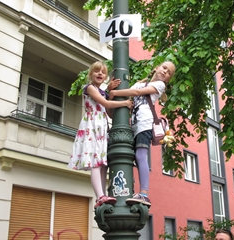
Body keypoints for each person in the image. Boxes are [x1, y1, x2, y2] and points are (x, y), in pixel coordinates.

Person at [109, 61, 176, 207]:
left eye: (169, 72)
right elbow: (129, 96)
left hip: (145, 124)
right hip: (133, 125)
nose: (165, 71)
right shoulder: (140, 83)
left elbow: (136, 93)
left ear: (167, 79)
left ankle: (144, 193)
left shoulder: (160, 85)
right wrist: (111, 90)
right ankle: (131, 190)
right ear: (157, 67)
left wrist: (115, 93)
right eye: (164, 68)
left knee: (140, 156)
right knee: (132, 158)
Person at [68, 61, 133, 209]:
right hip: (92, 126)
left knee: (102, 163)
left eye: (103, 72)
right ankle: (100, 196)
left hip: (101, 127)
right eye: (96, 71)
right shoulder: (90, 88)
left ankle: (102, 195)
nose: (100, 74)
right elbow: (107, 104)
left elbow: (109, 113)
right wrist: (124, 103)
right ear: (90, 74)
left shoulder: (101, 92)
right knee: (96, 162)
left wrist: (110, 93)